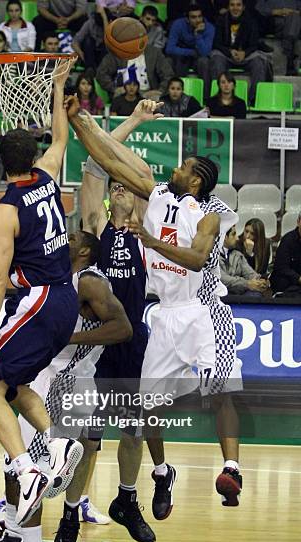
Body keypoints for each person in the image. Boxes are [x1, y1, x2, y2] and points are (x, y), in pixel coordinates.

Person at [67, 99, 244, 512]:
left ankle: (231, 469)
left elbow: (199, 258)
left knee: (219, 390)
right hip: (163, 313)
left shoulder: (211, 214)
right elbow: (111, 157)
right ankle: (162, 472)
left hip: (203, 311)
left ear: (196, 182)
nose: (174, 169)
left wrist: (151, 242)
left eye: (183, 167)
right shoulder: (159, 194)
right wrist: (79, 120)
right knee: (148, 409)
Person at [0, 229, 132, 542]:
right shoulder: (55, 278)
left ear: (87, 250)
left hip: (66, 385)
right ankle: (12, 532)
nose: (65, 239)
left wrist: (67, 338)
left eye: (73, 237)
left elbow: (123, 328)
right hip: (42, 378)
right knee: (15, 459)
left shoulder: (89, 280)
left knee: (33, 474)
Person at [0, 61, 83, 542]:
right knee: (14, 385)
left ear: (1, 161)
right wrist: (56, 88)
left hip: (36, 300)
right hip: (66, 300)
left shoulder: (4, 209)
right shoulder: (49, 176)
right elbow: (61, 138)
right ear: (31, 158)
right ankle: (57, 444)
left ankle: (26, 468)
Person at [52, 101, 175, 542]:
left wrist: (136, 139)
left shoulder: (148, 232)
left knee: (134, 432)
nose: (119, 188)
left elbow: (133, 168)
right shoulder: (97, 227)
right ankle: (68, 518)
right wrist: (133, 121)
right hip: (97, 350)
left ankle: (127, 497)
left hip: (136, 346)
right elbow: (95, 163)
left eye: (127, 187)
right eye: (114, 187)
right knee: (88, 441)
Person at [210, 0, 272, 106]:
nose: (235, 8)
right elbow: (217, 43)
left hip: (246, 55)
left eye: (238, 5)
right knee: (216, 57)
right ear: (228, 7)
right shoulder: (221, 20)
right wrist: (229, 52)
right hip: (227, 55)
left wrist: (245, 53)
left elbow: (254, 44)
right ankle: (218, 97)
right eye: (232, 5)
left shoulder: (251, 21)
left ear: (243, 7)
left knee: (259, 61)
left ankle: (254, 99)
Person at [166, 4, 214, 100]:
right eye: (193, 17)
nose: (197, 20)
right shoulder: (178, 24)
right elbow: (169, 49)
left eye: (199, 16)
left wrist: (198, 35)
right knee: (176, 61)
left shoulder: (209, 28)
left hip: (198, 58)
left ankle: (205, 99)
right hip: (182, 56)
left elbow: (205, 52)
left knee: (204, 61)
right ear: (187, 19)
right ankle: (176, 98)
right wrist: (191, 52)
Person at [96, 45, 172, 101]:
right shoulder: (118, 52)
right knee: (119, 97)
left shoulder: (154, 53)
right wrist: (114, 88)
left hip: (148, 93)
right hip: (124, 93)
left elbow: (168, 75)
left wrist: (160, 91)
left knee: (157, 99)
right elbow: (101, 73)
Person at [255, 0, 301, 75]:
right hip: (273, 22)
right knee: (293, 23)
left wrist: (292, 12)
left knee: (294, 19)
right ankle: (290, 59)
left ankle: (288, 54)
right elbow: (258, 9)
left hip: (292, 23)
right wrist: (278, 11)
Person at [220, 226, 269, 295]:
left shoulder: (237, 254)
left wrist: (260, 281)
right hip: (220, 294)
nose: (237, 238)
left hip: (238, 292)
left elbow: (249, 273)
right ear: (224, 237)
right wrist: (247, 284)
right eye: (233, 234)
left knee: (255, 294)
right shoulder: (212, 256)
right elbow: (222, 279)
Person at [270, 210, 301, 296]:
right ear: (298, 222)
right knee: (282, 281)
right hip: (288, 282)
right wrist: (298, 278)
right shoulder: (287, 240)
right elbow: (281, 268)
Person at [72, 4, 111, 71]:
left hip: (104, 53)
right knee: (88, 40)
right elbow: (75, 42)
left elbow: (108, 38)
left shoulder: (111, 25)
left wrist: (104, 17)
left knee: (107, 44)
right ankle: (90, 69)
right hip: (90, 54)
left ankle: (101, 70)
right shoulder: (90, 22)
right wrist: (81, 53)